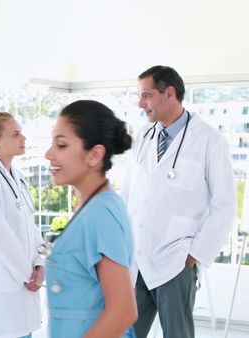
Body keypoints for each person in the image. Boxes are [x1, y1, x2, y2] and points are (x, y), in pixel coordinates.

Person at [121, 65, 236, 338]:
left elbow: (225, 206)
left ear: (169, 93)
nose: (140, 104)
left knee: (177, 334)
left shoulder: (209, 140)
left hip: (176, 261)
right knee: (126, 333)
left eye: (146, 95)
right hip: (137, 259)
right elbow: (128, 195)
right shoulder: (144, 137)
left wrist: (194, 256)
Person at [44, 100, 138, 338]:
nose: (49, 154)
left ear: (95, 154)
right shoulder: (91, 207)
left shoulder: (100, 214)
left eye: (61, 145)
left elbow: (123, 310)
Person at [0, 112, 45, 338]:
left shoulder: (18, 178)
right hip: (6, 282)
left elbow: (32, 229)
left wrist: (41, 265)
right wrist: (28, 275)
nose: (23, 138)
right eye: (15, 134)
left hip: (26, 282)